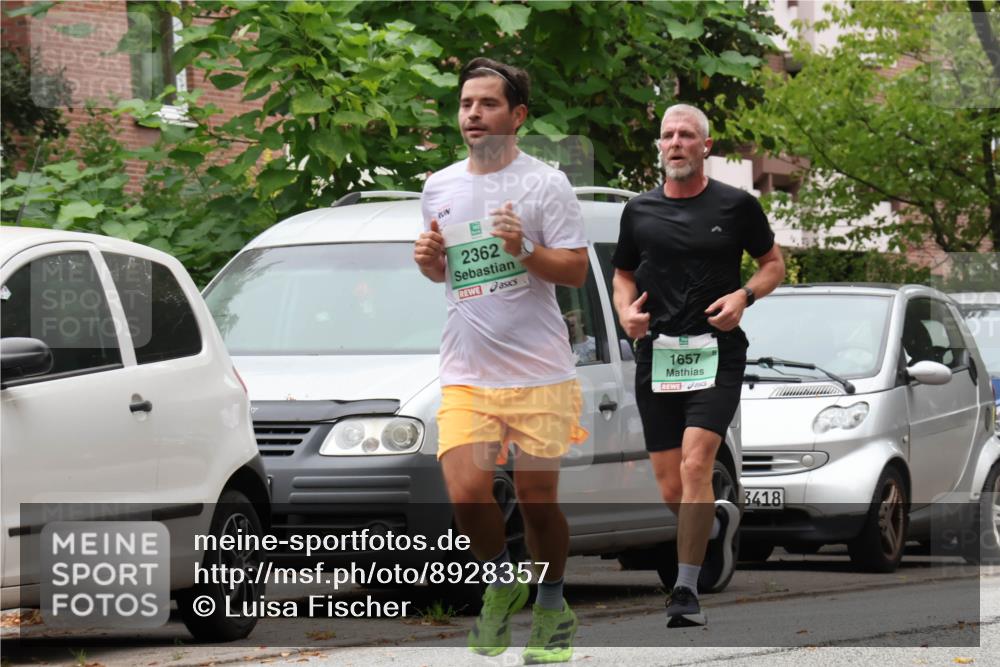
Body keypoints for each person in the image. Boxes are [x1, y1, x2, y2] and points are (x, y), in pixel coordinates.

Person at [413, 57, 589, 663]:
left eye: (487, 104)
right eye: (466, 104)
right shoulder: (439, 187)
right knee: (466, 492)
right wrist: (429, 261)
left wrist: (525, 247)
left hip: (540, 371)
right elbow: (445, 271)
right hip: (467, 369)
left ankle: (552, 605)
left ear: (517, 116)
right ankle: (501, 579)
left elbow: (575, 269)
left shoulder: (546, 184)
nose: (473, 114)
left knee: (537, 500)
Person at [611, 104, 785, 627]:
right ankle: (712, 523)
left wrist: (744, 297)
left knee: (695, 466)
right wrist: (625, 313)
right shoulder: (639, 211)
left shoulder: (737, 205)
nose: (676, 142)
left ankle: (685, 591)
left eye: (687, 135)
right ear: (660, 146)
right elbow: (622, 275)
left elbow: (773, 265)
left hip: (717, 352)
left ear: (705, 146)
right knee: (672, 487)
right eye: (668, 135)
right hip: (658, 355)